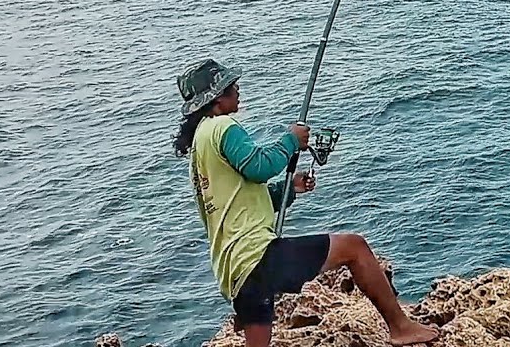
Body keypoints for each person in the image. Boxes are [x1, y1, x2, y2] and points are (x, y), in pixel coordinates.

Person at [172, 58, 439, 347]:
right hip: (255, 257)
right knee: (354, 247)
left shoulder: (201, 145)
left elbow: (240, 200)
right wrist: (290, 141)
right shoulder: (221, 126)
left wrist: (290, 190)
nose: (237, 89)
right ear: (216, 98)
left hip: (234, 273)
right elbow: (259, 166)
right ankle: (400, 327)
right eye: (229, 86)